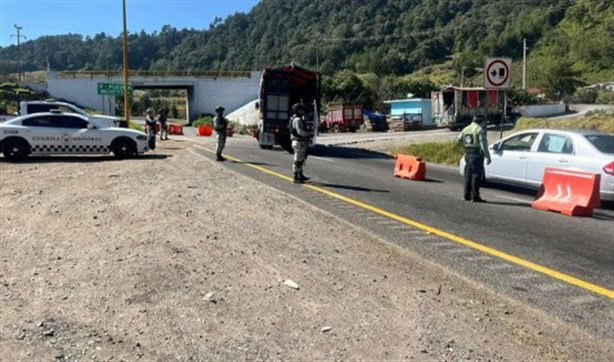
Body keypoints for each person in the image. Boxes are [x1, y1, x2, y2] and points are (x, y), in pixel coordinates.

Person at [458, 114, 492, 202]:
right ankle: (475, 196)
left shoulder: (465, 129)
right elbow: (483, 145)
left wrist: (465, 147)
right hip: (476, 154)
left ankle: (466, 195)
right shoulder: (479, 129)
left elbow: (458, 140)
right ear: (481, 122)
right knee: (476, 175)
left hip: (468, 154)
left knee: (468, 175)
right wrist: (488, 156)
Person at [289, 103, 313, 184]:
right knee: (298, 160)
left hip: (297, 141)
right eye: (301, 109)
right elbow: (300, 132)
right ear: (298, 110)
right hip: (299, 141)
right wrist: (308, 134)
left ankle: (300, 175)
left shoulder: (293, 118)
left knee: (301, 158)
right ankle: (296, 177)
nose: (303, 111)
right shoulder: (298, 120)